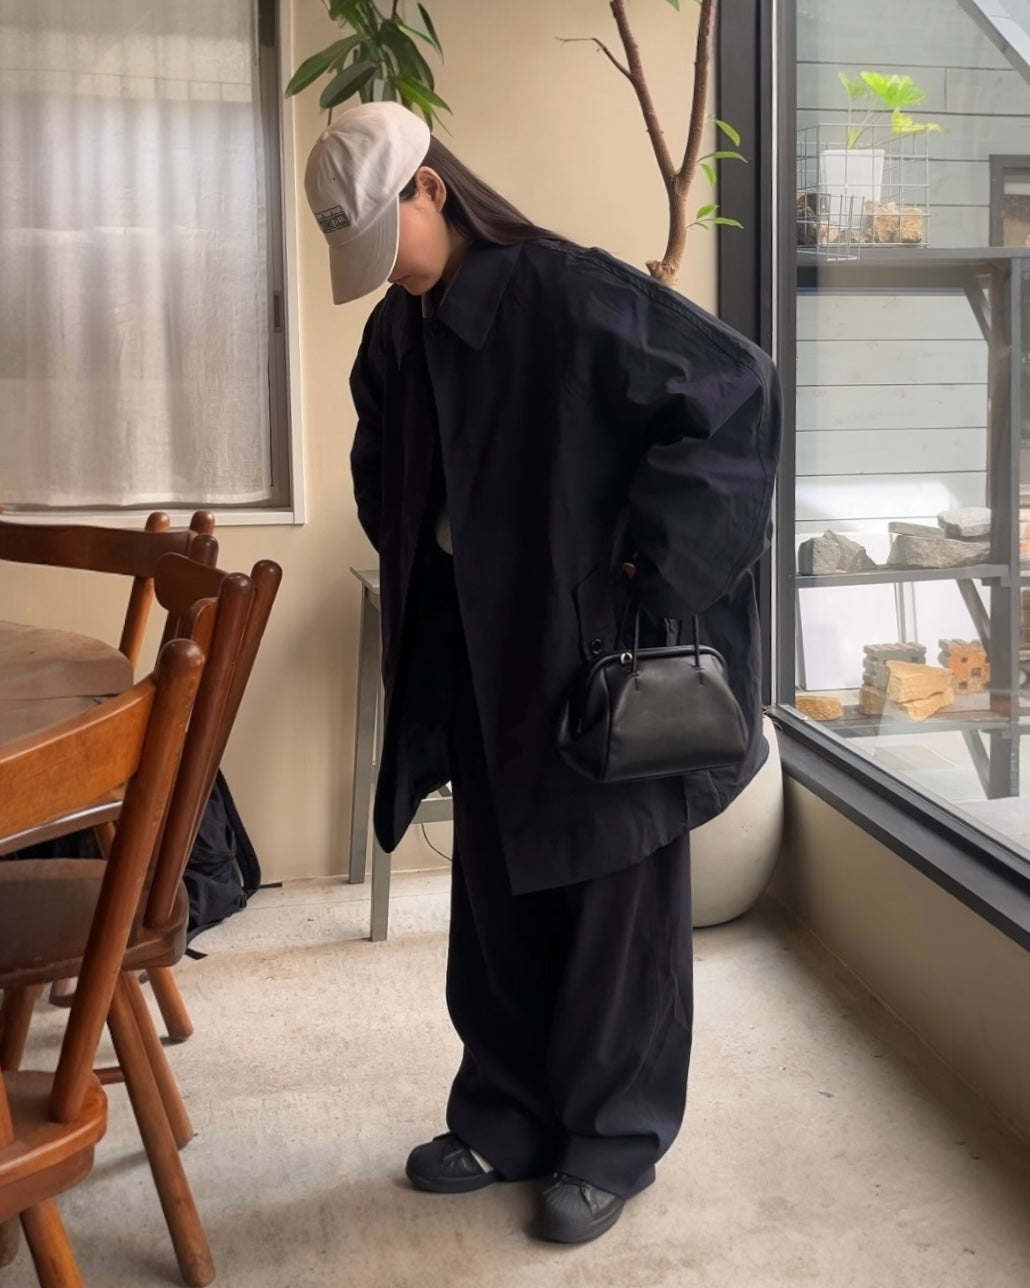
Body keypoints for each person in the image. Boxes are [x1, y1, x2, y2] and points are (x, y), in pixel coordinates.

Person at [305, 101, 781, 1245]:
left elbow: (735, 389)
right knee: (497, 892)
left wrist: (650, 567)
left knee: (616, 901)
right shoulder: (399, 331)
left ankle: (611, 1141)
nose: (387, 271)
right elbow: (380, 458)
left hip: (595, 656)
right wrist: (421, 549)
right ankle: (505, 1115)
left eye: (388, 237)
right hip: (483, 648)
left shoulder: (570, 291)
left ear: (431, 189)